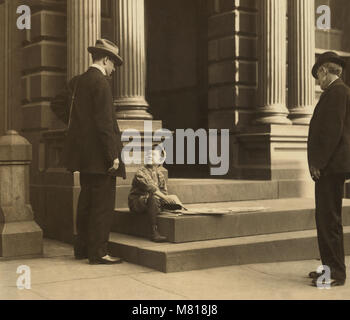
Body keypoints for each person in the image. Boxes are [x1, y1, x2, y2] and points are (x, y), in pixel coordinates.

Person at [51, 39, 126, 265]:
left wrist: (78, 128)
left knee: (86, 202)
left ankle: (82, 249)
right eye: (114, 64)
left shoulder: (78, 81)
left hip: (84, 157)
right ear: (105, 60)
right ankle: (99, 252)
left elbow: (57, 104)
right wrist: (113, 155)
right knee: (102, 206)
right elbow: (105, 123)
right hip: (101, 157)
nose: (113, 70)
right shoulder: (101, 83)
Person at [307, 51, 350, 287]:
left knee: (328, 220)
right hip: (330, 167)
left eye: (318, 76)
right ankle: (329, 269)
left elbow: (331, 133)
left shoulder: (337, 92)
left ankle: (335, 273)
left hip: (329, 168)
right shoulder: (337, 92)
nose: (318, 81)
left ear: (324, 70)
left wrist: (318, 164)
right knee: (326, 219)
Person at [128, 146, 179, 242]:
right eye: (148, 154)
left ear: (160, 159)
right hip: (138, 202)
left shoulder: (160, 174)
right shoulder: (140, 172)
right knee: (152, 198)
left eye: (153, 154)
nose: (150, 156)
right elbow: (151, 188)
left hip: (154, 200)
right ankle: (153, 231)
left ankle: (165, 208)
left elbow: (164, 191)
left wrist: (168, 198)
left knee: (172, 198)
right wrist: (164, 197)